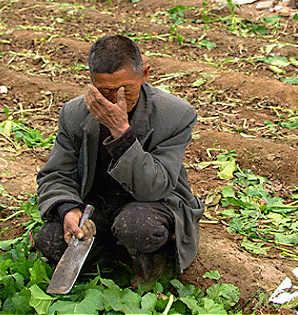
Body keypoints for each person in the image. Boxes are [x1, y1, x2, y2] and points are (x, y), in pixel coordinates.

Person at [34, 35, 203, 284]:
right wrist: (68, 209)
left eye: (126, 89)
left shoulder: (176, 115)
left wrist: (122, 135)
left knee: (136, 226)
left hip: (153, 202)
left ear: (144, 74)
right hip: (99, 203)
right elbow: (56, 174)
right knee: (49, 240)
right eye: (106, 91)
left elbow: (154, 187)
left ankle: (151, 268)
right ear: (92, 82)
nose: (116, 99)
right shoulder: (73, 113)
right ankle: (111, 252)